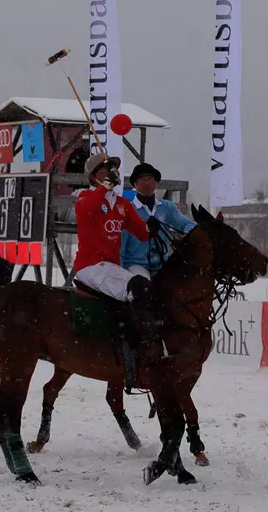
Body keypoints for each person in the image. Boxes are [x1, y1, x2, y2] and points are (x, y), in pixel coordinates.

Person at [73, 153, 161, 384]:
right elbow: (86, 211)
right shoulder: (85, 197)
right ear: (93, 176)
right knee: (139, 288)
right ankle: (135, 349)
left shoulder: (122, 204)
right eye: (107, 169)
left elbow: (141, 232)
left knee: (145, 290)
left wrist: (150, 228)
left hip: (110, 267)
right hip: (89, 266)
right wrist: (105, 187)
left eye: (114, 169)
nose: (113, 172)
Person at [120, 163, 196, 279]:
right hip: (135, 264)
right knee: (144, 285)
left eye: (150, 178)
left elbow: (188, 224)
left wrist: (186, 236)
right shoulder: (127, 210)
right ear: (135, 184)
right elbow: (121, 246)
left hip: (162, 264)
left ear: (156, 182)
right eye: (142, 179)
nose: (147, 183)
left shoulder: (167, 207)